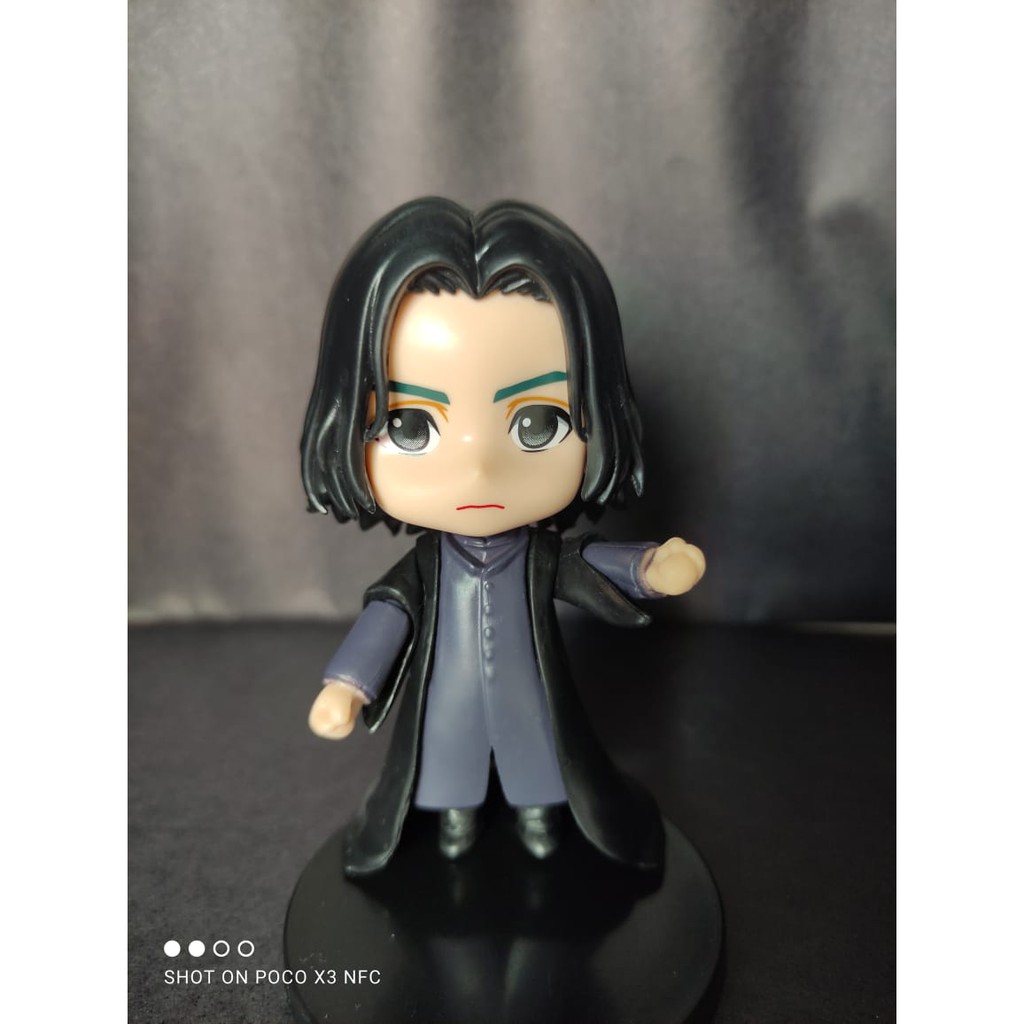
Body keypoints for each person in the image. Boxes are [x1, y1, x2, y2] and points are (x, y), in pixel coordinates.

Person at [300, 198, 705, 876]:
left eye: (538, 423)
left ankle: (540, 814)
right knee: (447, 756)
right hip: (448, 693)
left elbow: (585, 563)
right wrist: (347, 685)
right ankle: (454, 818)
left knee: (537, 750)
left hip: (528, 689)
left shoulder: (537, 557)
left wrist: (649, 567)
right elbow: (387, 617)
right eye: (411, 426)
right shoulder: (426, 568)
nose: (480, 468)